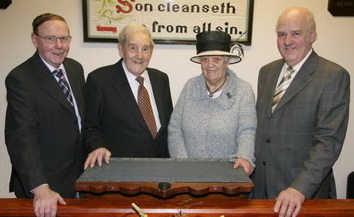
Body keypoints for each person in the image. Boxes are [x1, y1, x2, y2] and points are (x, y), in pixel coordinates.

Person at [252, 6, 350, 217]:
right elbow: (262, 130)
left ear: (312, 35)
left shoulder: (333, 76)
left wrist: (299, 189)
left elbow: (328, 143)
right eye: (281, 34)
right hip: (260, 192)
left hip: (301, 197)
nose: (287, 41)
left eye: (296, 33)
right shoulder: (267, 72)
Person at [5, 13, 86, 217]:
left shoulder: (75, 69)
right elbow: (22, 138)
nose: (59, 45)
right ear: (35, 40)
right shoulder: (21, 79)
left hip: (79, 179)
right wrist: (40, 188)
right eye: (50, 39)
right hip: (46, 187)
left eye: (64, 38)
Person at [84, 23, 173, 169]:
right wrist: (97, 147)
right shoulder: (100, 80)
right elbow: (90, 126)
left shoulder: (161, 79)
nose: (139, 55)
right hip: (120, 169)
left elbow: (168, 124)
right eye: (133, 48)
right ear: (121, 49)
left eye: (145, 49)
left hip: (160, 167)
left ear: (151, 52)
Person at [168, 31, 256, 176]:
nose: (210, 65)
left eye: (216, 59)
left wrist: (244, 156)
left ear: (227, 62)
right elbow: (174, 129)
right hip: (188, 174)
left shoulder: (243, 90)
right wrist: (183, 164)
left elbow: (247, 131)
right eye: (204, 59)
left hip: (227, 175)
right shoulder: (190, 86)